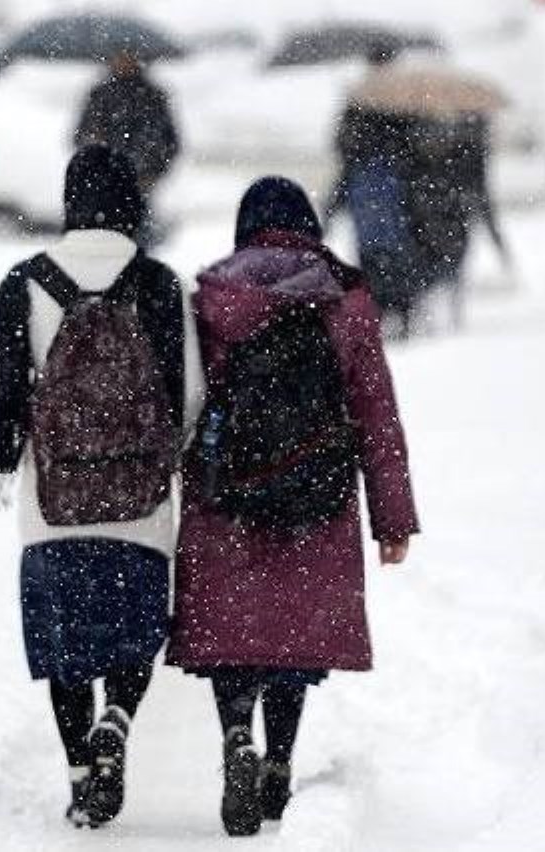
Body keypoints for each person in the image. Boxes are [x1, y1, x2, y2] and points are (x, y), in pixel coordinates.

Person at [169, 177, 418, 836]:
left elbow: (185, 404)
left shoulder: (212, 297)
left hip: (227, 497)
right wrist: (392, 519)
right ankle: (277, 761)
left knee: (234, 637)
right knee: (289, 636)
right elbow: (376, 417)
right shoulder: (344, 298)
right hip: (318, 494)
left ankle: (236, 740)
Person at [0, 145, 201, 829]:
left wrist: (4, 455)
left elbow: (2, 386)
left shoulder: (24, 283)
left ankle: (82, 772)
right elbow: (187, 393)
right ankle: (118, 718)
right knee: (136, 634)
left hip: (54, 502)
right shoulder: (160, 284)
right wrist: (170, 457)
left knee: (66, 644)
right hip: (138, 501)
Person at [323, 45, 424, 337]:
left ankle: (383, 309)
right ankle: (395, 309)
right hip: (385, 188)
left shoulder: (361, 99)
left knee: (375, 251)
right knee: (391, 250)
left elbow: (342, 144)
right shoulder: (402, 99)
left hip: (370, 188)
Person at [407, 112, 514, 331]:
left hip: (433, 226)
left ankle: (439, 321)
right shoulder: (468, 149)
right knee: (448, 275)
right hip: (450, 227)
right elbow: (481, 199)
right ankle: (448, 321)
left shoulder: (428, 149)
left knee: (435, 277)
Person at [74, 50, 181, 248]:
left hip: (142, 180)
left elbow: (170, 142)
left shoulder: (153, 96)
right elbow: (81, 137)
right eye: (118, 56)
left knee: (140, 236)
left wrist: (153, 172)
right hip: (105, 182)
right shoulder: (100, 95)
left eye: (129, 55)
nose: (123, 61)